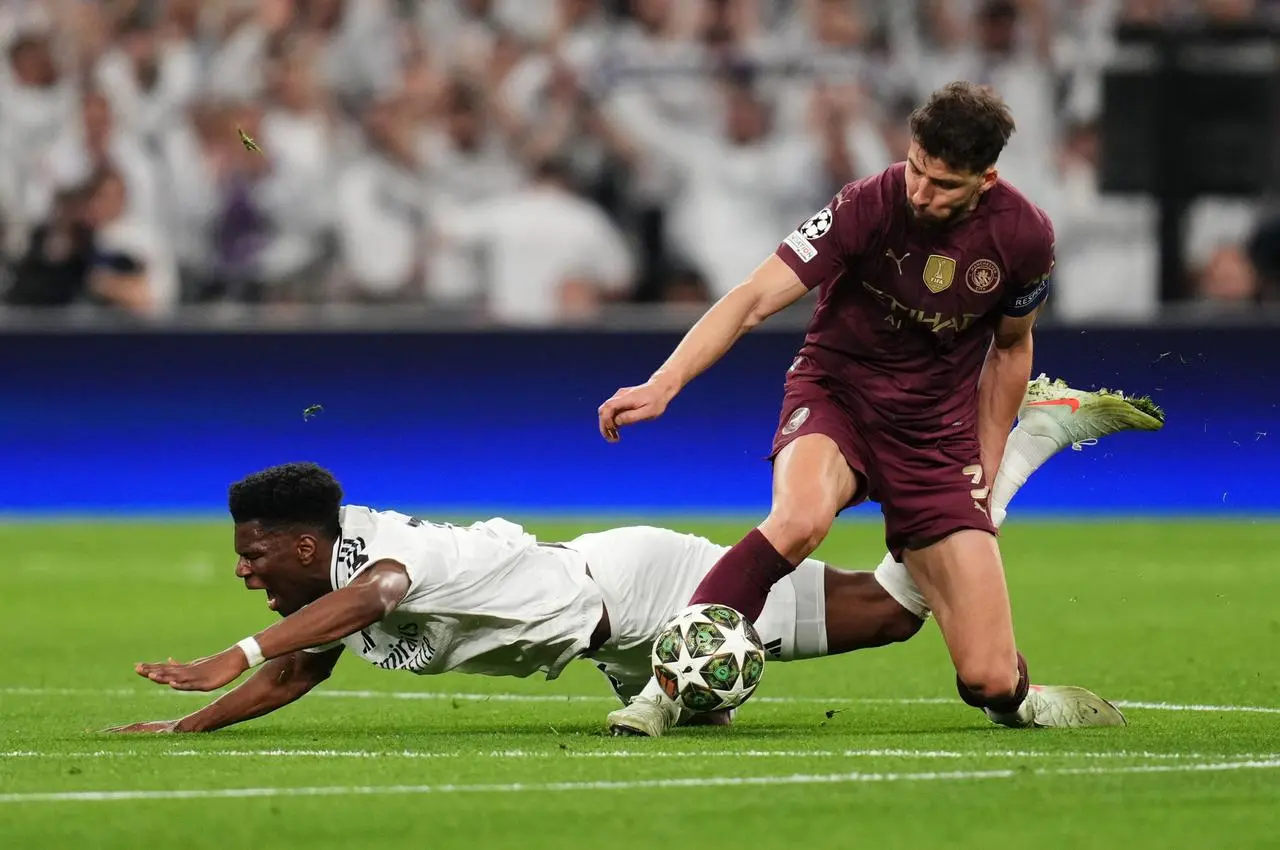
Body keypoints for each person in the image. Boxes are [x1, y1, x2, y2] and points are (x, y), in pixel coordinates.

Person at [106, 376, 1163, 735]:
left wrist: (229, 647)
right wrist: (192, 719)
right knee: (893, 606)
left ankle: (1024, 434)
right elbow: (303, 665)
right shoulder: (327, 584)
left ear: (300, 541)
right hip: (608, 635)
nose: (244, 567)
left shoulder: (373, 557)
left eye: (253, 555)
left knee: (894, 613)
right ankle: (1021, 440)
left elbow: (371, 598)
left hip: (637, 584)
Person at [596, 82, 1134, 737]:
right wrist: (664, 381)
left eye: (942, 183)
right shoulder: (867, 204)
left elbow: (1012, 348)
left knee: (987, 679)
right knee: (797, 520)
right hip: (836, 397)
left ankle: (1021, 698)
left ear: (985, 178)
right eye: (915, 167)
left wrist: (986, 459)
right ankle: (664, 690)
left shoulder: (1024, 238)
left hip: (933, 433)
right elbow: (753, 297)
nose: (920, 191)